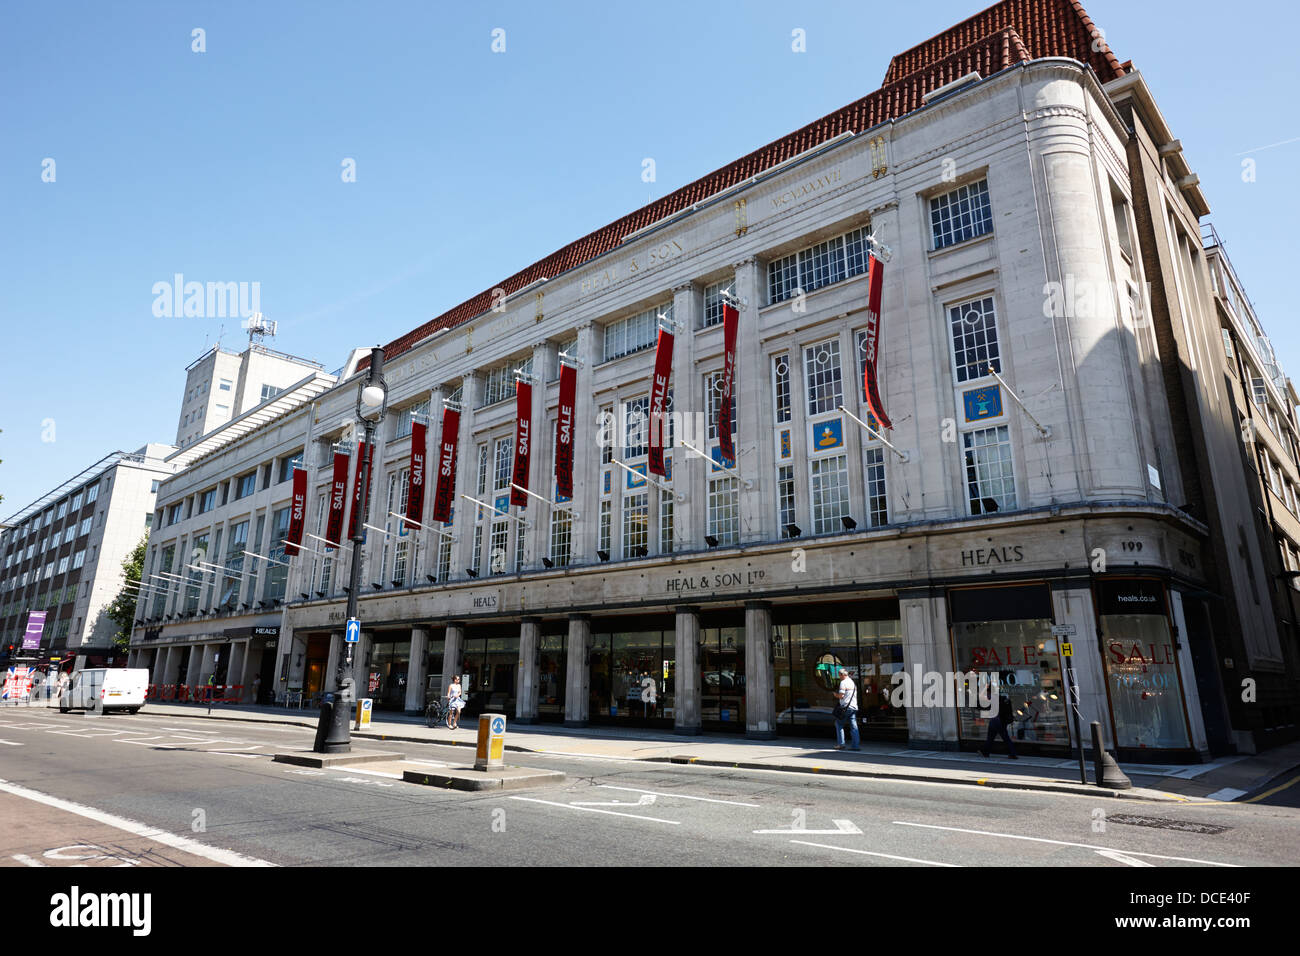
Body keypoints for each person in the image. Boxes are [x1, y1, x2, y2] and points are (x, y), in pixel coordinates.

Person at [979, 692, 1019, 759]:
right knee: (1002, 738)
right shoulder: (1004, 700)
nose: (987, 697)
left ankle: (986, 752)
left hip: (996, 721)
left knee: (992, 738)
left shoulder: (994, 700)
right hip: (1003, 721)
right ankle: (1012, 753)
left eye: (988, 695)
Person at [833, 667, 860, 751]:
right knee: (854, 727)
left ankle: (841, 744)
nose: (839, 677)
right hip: (854, 707)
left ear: (842, 675)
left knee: (839, 724)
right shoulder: (852, 683)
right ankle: (855, 746)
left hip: (845, 708)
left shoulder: (843, 683)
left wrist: (835, 695)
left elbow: (841, 695)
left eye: (839, 675)